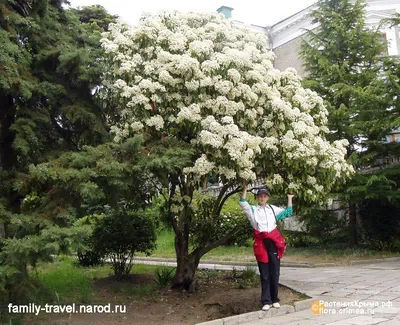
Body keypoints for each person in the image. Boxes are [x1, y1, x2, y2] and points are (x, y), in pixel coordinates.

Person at [239, 179, 294, 311]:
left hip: (273, 242)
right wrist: (245, 188)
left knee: (275, 271)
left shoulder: (272, 209)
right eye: (260, 196)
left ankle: (275, 299)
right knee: (264, 273)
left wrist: (290, 199)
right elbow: (242, 203)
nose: (262, 198)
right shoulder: (253, 210)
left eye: (265, 196)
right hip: (261, 243)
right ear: (257, 198)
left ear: (267, 197)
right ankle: (266, 301)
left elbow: (288, 212)